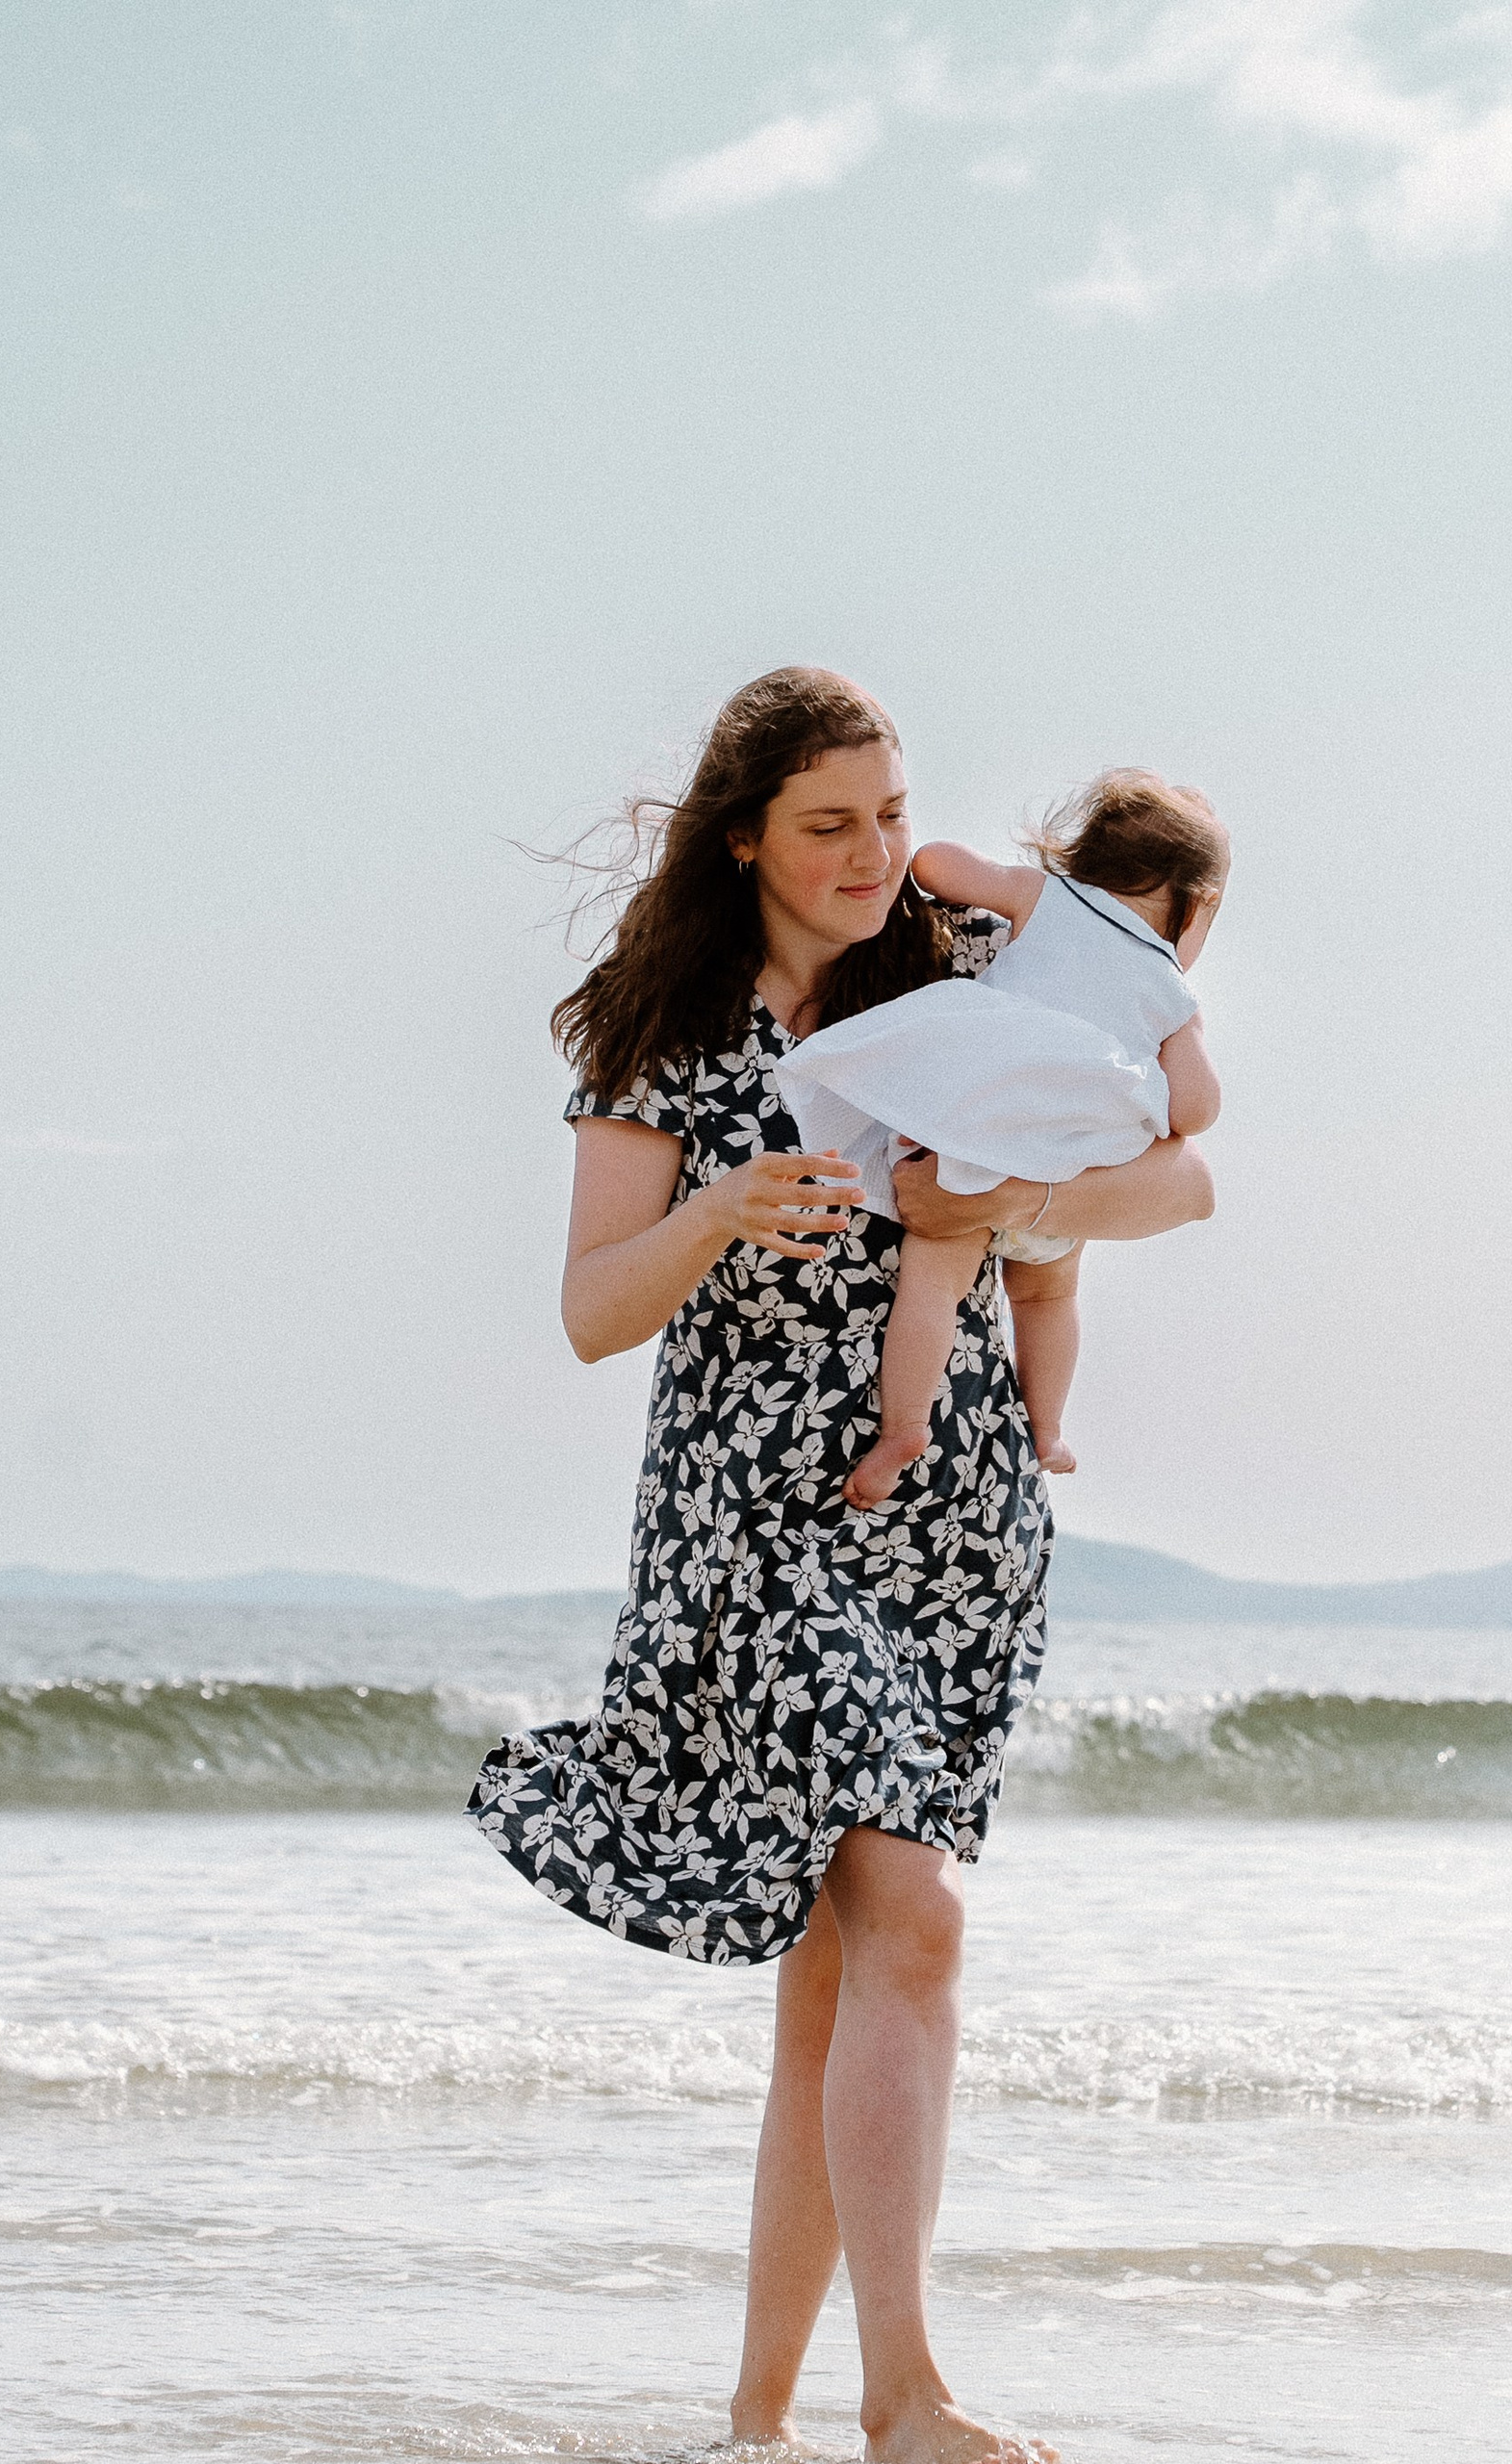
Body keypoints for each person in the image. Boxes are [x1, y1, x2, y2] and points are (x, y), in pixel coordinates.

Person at [466, 668, 1215, 2464]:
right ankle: (909, 2399)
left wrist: (1011, 1211)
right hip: (751, 1526)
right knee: (913, 1913)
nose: (878, 853)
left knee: (852, 1953)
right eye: (832, 825)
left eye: (893, 814)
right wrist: (720, 1210)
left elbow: (1178, 1177)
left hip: (950, 1523)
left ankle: (760, 2420)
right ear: (747, 840)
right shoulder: (659, 1031)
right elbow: (589, 1315)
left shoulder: (961, 964)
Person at [775, 771, 1228, 1507]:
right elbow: (1197, 1111)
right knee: (1049, 1296)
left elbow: (935, 867)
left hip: (976, 1141)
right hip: (1068, 1166)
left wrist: (984, 878)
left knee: (932, 1283)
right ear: (1197, 904)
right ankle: (1047, 1426)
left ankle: (902, 1428)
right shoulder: (1171, 987)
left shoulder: (1051, 897)